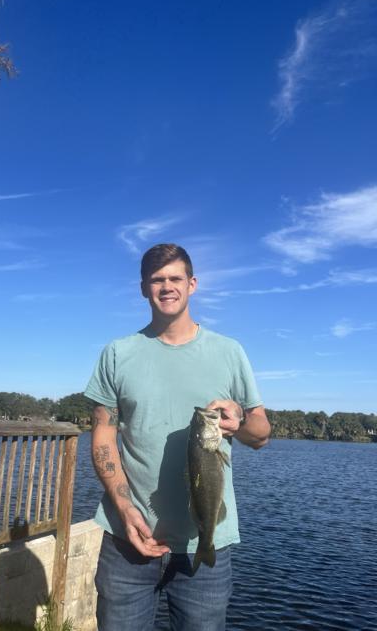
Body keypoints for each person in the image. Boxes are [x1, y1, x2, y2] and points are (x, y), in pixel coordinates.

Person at [84, 243, 271, 631]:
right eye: (157, 280)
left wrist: (238, 423)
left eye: (175, 278)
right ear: (143, 288)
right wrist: (125, 508)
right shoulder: (117, 353)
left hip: (206, 543)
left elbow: (261, 434)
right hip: (127, 540)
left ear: (192, 284)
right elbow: (103, 436)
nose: (166, 287)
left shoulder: (229, 352)